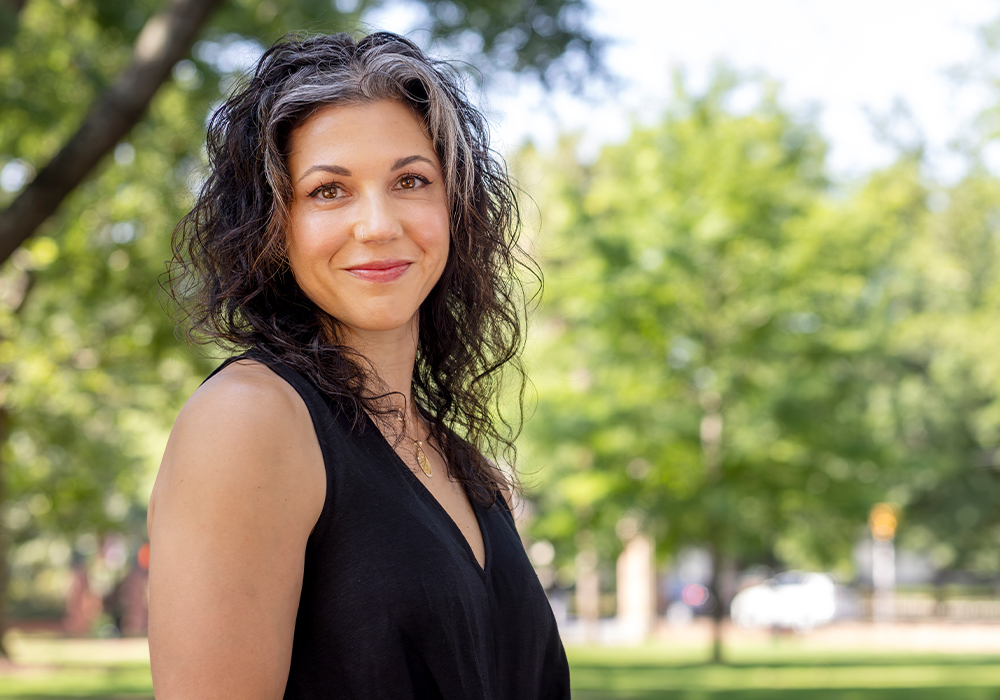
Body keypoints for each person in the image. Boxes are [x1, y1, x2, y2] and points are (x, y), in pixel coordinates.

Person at [146, 31, 570, 700]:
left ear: (454, 208)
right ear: (273, 225)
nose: (377, 224)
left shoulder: (454, 457)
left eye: (410, 181)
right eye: (328, 191)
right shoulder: (250, 420)